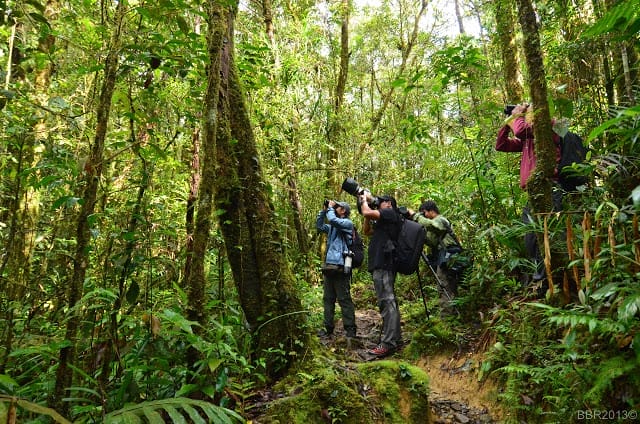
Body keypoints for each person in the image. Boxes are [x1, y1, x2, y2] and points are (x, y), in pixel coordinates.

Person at [495, 103, 562, 282]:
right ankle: (541, 278)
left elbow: (520, 131)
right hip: (534, 191)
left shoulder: (547, 126)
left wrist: (516, 116)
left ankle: (554, 278)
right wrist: (508, 121)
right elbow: (501, 145)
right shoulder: (528, 138)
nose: (526, 112)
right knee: (531, 237)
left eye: (529, 108)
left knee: (550, 233)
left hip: (550, 188)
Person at [360, 194, 402, 357]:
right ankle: (395, 339)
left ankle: (388, 343)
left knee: (387, 301)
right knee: (389, 301)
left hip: (385, 264)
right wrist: (368, 215)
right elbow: (367, 231)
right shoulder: (384, 221)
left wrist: (365, 201)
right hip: (381, 264)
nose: (377, 203)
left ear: (389, 204)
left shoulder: (391, 213)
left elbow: (366, 212)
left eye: (381, 202)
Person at [408, 200, 462, 316]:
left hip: (449, 256)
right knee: (448, 285)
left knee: (444, 285)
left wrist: (415, 216)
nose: (424, 216)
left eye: (424, 213)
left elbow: (432, 225)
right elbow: (432, 242)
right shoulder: (436, 226)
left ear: (431, 211)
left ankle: (447, 316)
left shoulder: (440, 220)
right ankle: (452, 314)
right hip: (446, 256)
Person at [315, 200, 357, 339]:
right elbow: (320, 226)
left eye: (337, 206)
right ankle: (328, 328)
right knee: (328, 299)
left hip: (341, 267)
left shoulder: (347, 224)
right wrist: (323, 210)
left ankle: (350, 330)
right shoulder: (333, 227)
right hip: (329, 267)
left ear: (343, 210)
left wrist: (330, 210)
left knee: (344, 299)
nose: (334, 208)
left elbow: (333, 220)